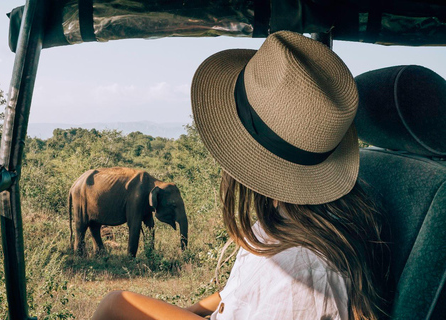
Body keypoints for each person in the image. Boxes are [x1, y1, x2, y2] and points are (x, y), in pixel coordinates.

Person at [92, 31, 388, 320]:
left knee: (115, 304)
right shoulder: (287, 217)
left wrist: (119, 304)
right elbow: (239, 292)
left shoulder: (305, 275)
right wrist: (191, 310)